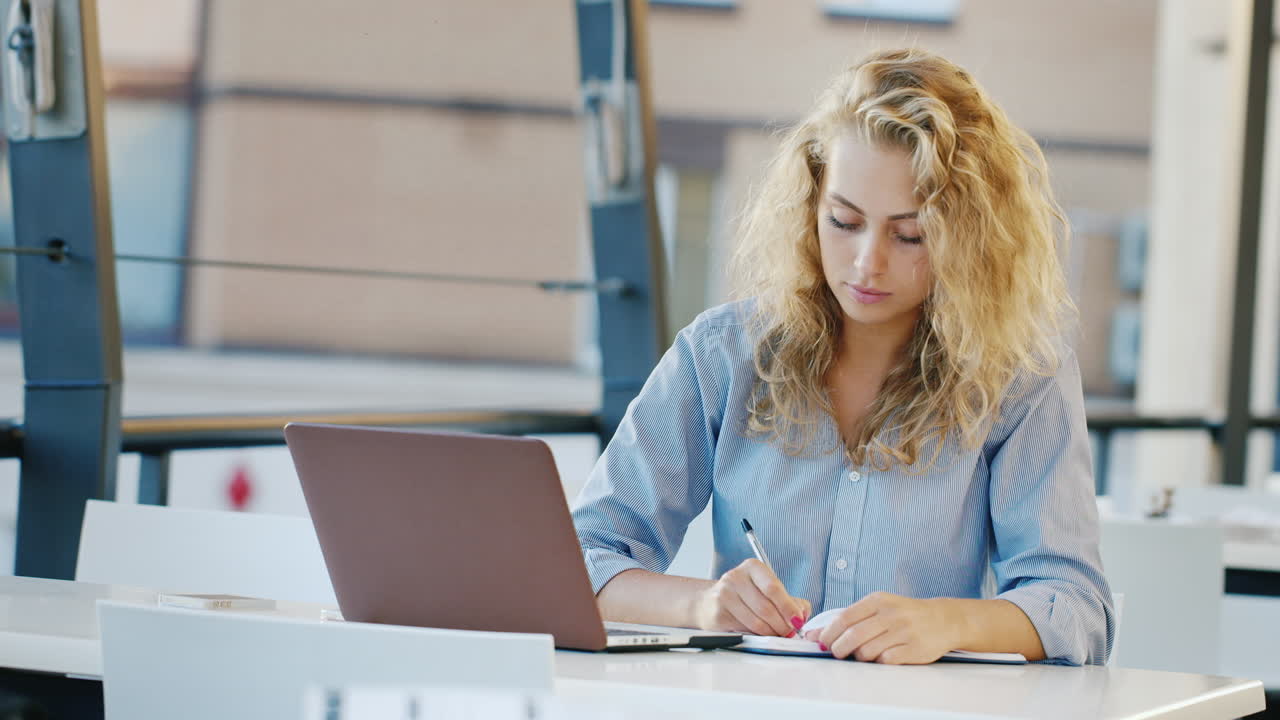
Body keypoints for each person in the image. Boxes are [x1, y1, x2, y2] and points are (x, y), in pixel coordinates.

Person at [571, 48, 1114, 666]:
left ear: (967, 238)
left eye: (910, 235)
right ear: (811, 208)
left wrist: (945, 623)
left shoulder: (1018, 377)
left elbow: (1078, 608)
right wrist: (701, 606)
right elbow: (583, 556)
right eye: (844, 221)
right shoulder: (722, 354)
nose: (866, 264)